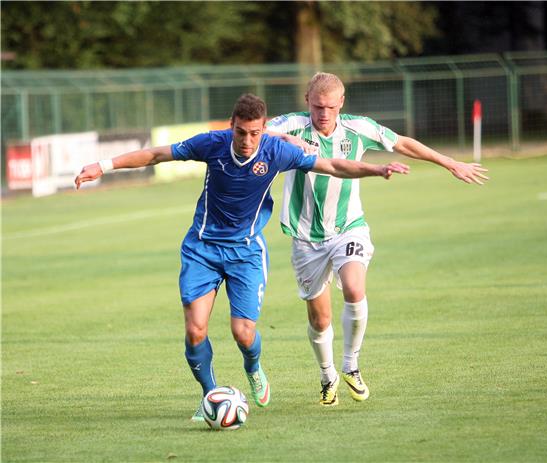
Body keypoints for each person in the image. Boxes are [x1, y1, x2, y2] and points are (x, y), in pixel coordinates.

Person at [74, 93, 410, 421]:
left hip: (245, 251)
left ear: (264, 130)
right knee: (195, 330)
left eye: (254, 133)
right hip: (202, 248)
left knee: (243, 333)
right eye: (240, 132)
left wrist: (375, 170)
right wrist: (103, 166)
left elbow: (333, 164)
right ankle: (210, 394)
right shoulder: (212, 144)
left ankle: (253, 367)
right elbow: (157, 154)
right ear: (231, 125)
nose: (247, 141)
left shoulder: (277, 150)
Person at [267, 73, 489, 406]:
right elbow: (258, 132)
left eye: (330, 106)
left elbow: (402, 143)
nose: (323, 113)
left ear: (342, 102)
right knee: (320, 318)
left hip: (348, 227)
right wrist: (286, 141)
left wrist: (448, 162)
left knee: (355, 289)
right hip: (305, 236)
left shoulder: (359, 128)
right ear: (307, 101)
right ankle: (328, 376)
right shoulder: (293, 125)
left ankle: (351, 365)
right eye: (317, 106)